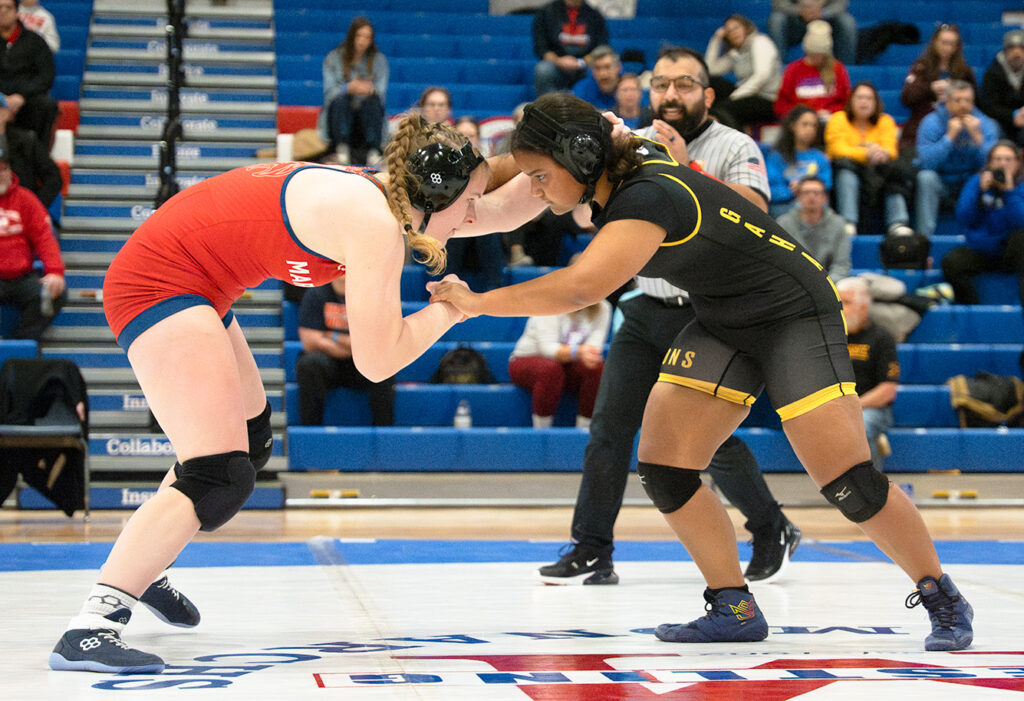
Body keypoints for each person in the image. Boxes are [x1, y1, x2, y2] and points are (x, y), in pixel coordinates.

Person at [429, 92, 973, 652]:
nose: (536, 189)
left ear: (580, 155)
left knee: (848, 481)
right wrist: (403, 180)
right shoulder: (616, 158)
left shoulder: (644, 196)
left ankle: (944, 597)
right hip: (722, 311)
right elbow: (508, 175)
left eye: (542, 176)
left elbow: (580, 288)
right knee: (665, 467)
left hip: (793, 312)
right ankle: (733, 607)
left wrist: (477, 301)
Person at [47, 114, 545, 674]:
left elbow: (505, 210)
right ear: (437, 195)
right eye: (470, 199)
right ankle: (91, 627)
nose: (476, 212)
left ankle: (148, 561)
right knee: (218, 470)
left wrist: (579, 162)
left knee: (249, 442)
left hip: (193, 280)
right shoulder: (373, 222)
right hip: (159, 283)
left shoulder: (395, 196)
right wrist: (450, 310)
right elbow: (377, 361)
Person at [537, 47, 801, 588]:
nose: (670, 95)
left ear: (707, 95)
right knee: (610, 428)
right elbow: (596, 218)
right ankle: (592, 545)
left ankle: (769, 525)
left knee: (706, 441)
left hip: (706, 314)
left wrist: (682, 166)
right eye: (661, 84)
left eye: (684, 85)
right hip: (643, 307)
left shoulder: (735, 145)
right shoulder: (631, 145)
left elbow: (751, 212)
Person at [296, 277, 396, 427]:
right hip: (327, 364)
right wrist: (352, 344)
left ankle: (384, 436)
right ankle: (310, 432)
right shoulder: (316, 294)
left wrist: (331, 335)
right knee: (309, 364)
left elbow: (375, 341)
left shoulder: (368, 297)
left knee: (384, 368)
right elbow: (310, 341)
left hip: (360, 365)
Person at [940, 140, 1024, 309]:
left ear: (1017, 163)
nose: (1003, 164)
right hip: (983, 251)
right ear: (989, 162)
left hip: (1012, 252)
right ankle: (973, 309)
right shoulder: (976, 183)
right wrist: (980, 194)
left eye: (1008, 159)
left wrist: (1009, 192)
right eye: (998, 159)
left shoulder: (1021, 187)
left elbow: (1021, 221)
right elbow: (964, 218)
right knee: (952, 262)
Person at [825, 81, 915, 237]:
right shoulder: (838, 118)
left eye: (869, 98)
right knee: (846, 173)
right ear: (851, 101)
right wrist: (866, 153)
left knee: (894, 173)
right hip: (849, 169)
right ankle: (848, 222)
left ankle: (898, 223)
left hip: (878, 171)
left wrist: (882, 154)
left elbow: (891, 150)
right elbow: (837, 149)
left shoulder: (885, 120)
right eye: (859, 97)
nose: (864, 102)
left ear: (876, 103)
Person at [914, 80, 999, 237]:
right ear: (946, 101)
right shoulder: (931, 123)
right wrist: (949, 138)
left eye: (968, 100)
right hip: (942, 181)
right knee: (925, 177)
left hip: (971, 181)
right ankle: (924, 237)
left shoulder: (985, 124)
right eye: (958, 100)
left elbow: (994, 164)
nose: (963, 105)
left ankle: (985, 234)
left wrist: (977, 137)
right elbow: (926, 163)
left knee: (989, 177)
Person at [509, 300, 610, 429]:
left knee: (596, 366)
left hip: (567, 365)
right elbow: (547, 348)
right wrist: (578, 351)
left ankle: (585, 431)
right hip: (528, 359)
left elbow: (594, 346)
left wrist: (587, 354)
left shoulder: (603, 307)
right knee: (550, 369)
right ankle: (542, 432)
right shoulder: (549, 302)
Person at [0, 137, 64, 340]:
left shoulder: (26, 199)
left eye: (3, 169)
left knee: (55, 294)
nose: (0, 175)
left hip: (20, 277)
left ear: (10, 170)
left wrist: (54, 272)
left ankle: (18, 348)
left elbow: (44, 237)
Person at [836, 277, 899, 472]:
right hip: (834, 405)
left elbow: (888, 389)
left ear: (864, 307)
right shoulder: (829, 336)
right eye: (838, 303)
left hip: (870, 407)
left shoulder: (881, 338)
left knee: (860, 427)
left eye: (846, 302)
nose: (841, 308)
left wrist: (854, 407)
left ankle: (872, 490)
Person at [319, 16, 388, 166]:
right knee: (342, 100)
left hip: (366, 115)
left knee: (373, 101)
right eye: (359, 36)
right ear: (352, 36)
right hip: (340, 116)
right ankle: (341, 148)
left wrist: (368, 89)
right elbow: (329, 92)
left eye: (367, 37)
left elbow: (381, 92)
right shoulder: (334, 58)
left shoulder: (379, 60)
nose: (362, 41)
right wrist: (348, 88)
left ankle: (373, 151)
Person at [899, 24, 976, 153]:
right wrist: (930, 88)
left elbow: (975, 102)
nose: (947, 48)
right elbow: (906, 98)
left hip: (957, 129)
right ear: (935, 42)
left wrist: (955, 93)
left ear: (957, 47)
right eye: (944, 43)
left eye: (952, 44)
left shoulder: (964, 72)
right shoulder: (920, 68)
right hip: (920, 126)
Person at [704, 14, 782, 132]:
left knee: (725, 108)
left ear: (746, 28)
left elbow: (761, 76)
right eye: (729, 31)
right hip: (745, 95)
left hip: (767, 98)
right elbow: (709, 70)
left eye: (736, 28)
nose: (734, 33)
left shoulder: (760, 41)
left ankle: (738, 141)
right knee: (711, 82)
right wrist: (716, 39)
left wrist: (735, 97)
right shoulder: (735, 53)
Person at [0, 0, 57, 147]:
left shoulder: (35, 42)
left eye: (8, 7)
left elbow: (46, 76)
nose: (3, 11)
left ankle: (39, 156)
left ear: (16, 10)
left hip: (26, 100)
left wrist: (21, 96)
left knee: (46, 106)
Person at [774, 20, 851, 122]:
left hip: (830, 120)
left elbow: (847, 102)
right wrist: (801, 114)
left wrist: (831, 111)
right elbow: (781, 104)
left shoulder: (838, 69)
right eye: (812, 54)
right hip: (800, 121)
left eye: (820, 55)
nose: (816, 59)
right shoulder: (793, 69)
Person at [776, 175, 851, 280]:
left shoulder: (838, 224)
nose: (812, 197)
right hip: (794, 283)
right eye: (806, 193)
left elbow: (841, 265)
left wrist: (826, 286)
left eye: (816, 193)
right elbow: (780, 262)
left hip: (829, 284)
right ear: (798, 197)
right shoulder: (783, 223)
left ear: (825, 197)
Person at [764, 104, 832, 218]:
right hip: (784, 206)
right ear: (792, 126)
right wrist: (791, 191)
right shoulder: (777, 156)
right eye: (805, 124)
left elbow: (826, 185)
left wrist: (805, 190)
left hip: (814, 205)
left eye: (813, 126)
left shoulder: (820, 158)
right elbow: (769, 189)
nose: (809, 129)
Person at [531, 0, 608, 98]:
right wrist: (558, 61)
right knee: (543, 70)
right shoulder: (546, 13)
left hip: (585, 64)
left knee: (602, 69)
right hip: (556, 64)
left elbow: (601, 48)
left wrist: (581, 62)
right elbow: (541, 48)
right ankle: (548, 108)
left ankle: (589, 108)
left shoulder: (594, 15)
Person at [0, 98, 61, 209]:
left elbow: (53, 176)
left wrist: (34, 205)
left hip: (19, 210)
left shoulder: (27, 141)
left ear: (8, 113)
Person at [768, 0, 856, 66]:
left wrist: (824, 12)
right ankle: (779, 69)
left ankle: (846, 70)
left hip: (826, 17)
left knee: (847, 22)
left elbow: (841, 4)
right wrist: (799, 11)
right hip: (795, 18)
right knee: (776, 19)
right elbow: (778, 3)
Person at [979, 29, 1024, 148]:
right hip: (999, 120)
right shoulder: (992, 73)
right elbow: (988, 107)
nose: (1017, 53)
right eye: (1012, 48)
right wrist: (1014, 115)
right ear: (1005, 51)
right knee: (992, 128)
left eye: (1021, 48)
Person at [571, 44, 620, 111]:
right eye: (597, 68)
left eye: (607, 67)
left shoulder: (630, 87)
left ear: (618, 68)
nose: (603, 74)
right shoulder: (582, 90)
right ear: (592, 71)